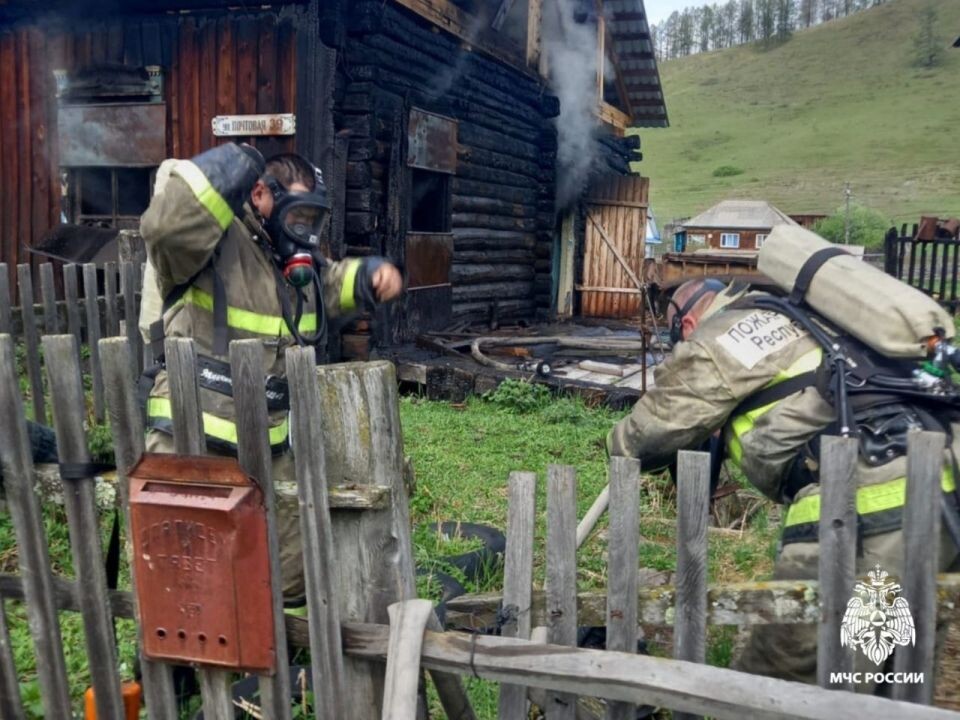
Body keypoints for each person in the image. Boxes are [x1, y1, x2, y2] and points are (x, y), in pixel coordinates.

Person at [607, 278, 960, 690]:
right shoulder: (815, 319)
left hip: (864, 513)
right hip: (942, 490)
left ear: (685, 324)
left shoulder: (723, 335)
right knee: (894, 679)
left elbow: (647, 436)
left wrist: (613, 443)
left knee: (781, 684)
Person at [139, 142, 403, 605]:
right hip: (191, 440)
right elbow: (166, 228)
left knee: (286, 575)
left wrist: (369, 275)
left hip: (269, 446)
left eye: (313, 222)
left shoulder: (288, 264)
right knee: (186, 577)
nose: (304, 232)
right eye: (297, 216)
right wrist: (235, 161)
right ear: (259, 193)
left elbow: (326, 284)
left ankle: (281, 665)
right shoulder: (210, 244)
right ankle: (180, 674)